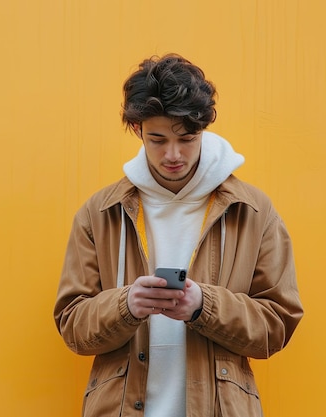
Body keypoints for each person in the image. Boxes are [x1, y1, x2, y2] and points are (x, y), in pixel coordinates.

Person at [53, 53, 303, 417]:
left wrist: (204, 306)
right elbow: (73, 325)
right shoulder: (100, 213)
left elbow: (277, 325)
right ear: (138, 130)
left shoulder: (253, 211)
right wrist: (125, 306)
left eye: (187, 138)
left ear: (204, 129)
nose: (173, 154)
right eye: (157, 139)